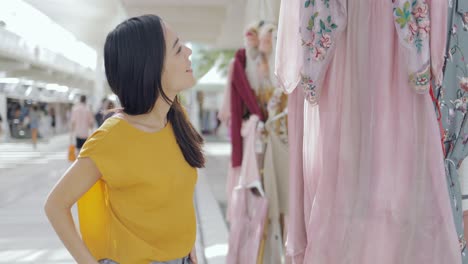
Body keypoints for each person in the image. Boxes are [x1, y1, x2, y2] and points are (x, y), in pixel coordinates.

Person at [44, 15, 204, 264]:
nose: (188, 51)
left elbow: (174, 198)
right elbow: (55, 205)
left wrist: (187, 245)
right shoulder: (111, 138)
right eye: (177, 49)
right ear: (150, 67)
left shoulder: (175, 121)